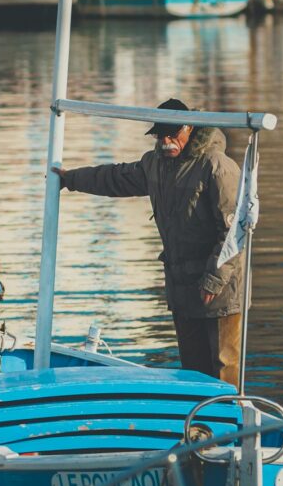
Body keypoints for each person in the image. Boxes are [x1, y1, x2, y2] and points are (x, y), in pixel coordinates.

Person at [53, 99, 245, 387]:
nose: (166, 142)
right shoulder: (154, 164)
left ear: (189, 128)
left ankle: (228, 427)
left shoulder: (217, 166)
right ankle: (199, 427)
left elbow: (235, 231)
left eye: (172, 135)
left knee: (224, 367)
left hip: (221, 290)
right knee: (192, 370)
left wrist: (213, 281)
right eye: (161, 136)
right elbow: (114, 178)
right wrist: (70, 179)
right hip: (181, 285)